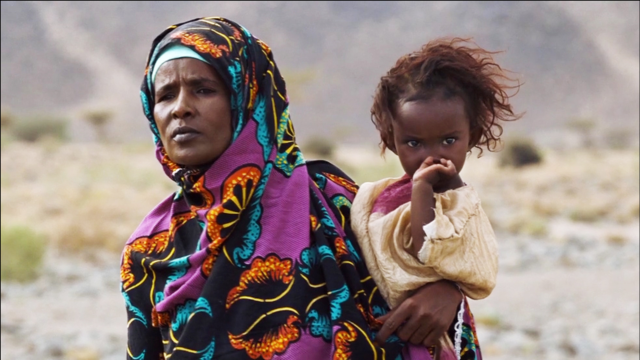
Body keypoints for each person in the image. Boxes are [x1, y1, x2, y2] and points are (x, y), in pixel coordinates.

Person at [120, 17, 466, 360]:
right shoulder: (149, 247)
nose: (180, 108)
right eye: (165, 95)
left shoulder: (336, 203)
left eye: (203, 89)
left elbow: (423, 269)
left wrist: (447, 291)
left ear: (249, 97)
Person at [351, 37, 523, 359]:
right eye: (414, 143)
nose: (432, 156)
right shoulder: (381, 192)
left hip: (433, 336)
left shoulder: (458, 200)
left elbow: (427, 248)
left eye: (448, 140)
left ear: (471, 134)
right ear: (392, 139)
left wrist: (422, 191)